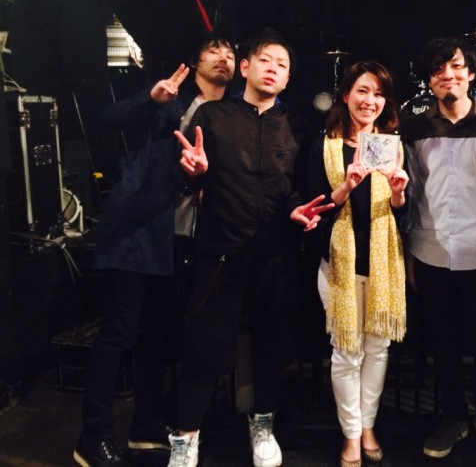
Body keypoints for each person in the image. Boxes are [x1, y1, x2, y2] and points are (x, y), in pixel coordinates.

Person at [74, 34, 236, 467]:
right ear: (195, 61)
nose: (223, 57)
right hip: (137, 230)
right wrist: (149, 98)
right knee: (118, 332)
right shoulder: (171, 98)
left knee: (158, 337)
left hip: (180, 239)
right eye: (214, 50)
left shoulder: (229, 113)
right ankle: (93, 434)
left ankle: (145, 425)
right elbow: (106, 121)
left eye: (230, 52)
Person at [167, 29, 313, 467]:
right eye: (265, 60)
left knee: (271, 347)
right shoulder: (211, 115)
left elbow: (297, 189)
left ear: (288, 79)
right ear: (245, 67)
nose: (273, 69)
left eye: (281, 65)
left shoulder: (297, 125)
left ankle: (262, 425)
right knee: (203, 349)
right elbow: (181, 179)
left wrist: (299, 210)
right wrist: (193, 173)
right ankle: (186, 438)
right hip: (220, 253)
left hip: (276, 257)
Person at [401, 37, 476, 460]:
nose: (447, 76)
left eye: (456, 67)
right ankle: (453, 417)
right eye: (438, 70)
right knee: (443, 342)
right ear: (429, 80)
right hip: (431, 250)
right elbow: (412, 194)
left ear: (471, 73)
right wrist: (409, 254)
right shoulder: (415, 128)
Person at [291, 61, 408, 467]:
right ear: (345, 95)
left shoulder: (393, 146)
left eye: (378, 93)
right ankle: (352, 433)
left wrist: (398, 192)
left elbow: (402, 212)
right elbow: (315, 205)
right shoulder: (325, 146)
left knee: (377, 350)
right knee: (346, 353)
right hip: (339, 262)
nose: (370, 101)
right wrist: (347, 185)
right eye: (362, 90)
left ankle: (369, 425)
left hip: (382, 264)